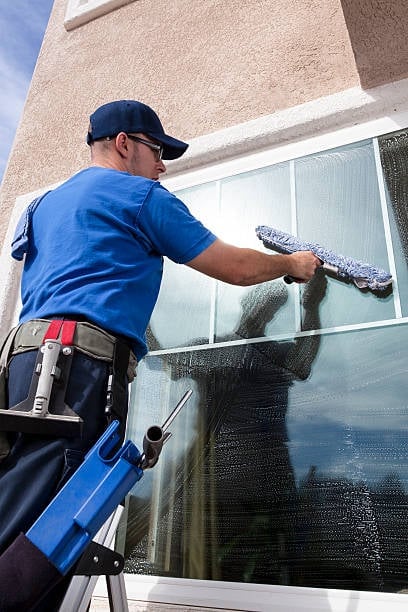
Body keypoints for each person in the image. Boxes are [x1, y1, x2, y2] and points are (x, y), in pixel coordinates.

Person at [0, 100, 320, 608]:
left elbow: (79, 273)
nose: (162, 165)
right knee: (53, 518)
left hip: (22, 369)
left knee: (19, 493)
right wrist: (293, 265)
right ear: (125, 144)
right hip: (76, 372)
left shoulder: (45, 205)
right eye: (157, 151)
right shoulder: (141, 196)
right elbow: (235, 267)